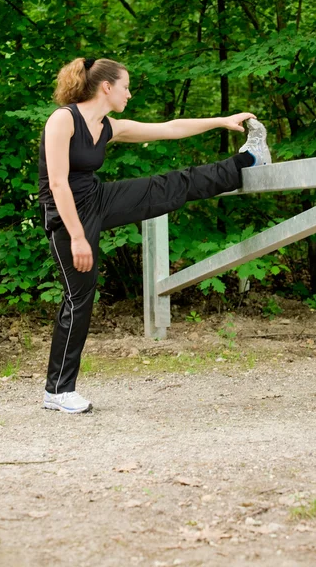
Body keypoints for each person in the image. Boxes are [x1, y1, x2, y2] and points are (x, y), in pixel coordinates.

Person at [39, 57, 271, 414]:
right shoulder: (63, 120)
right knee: (78, 299)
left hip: (97, 199)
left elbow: (170, 128)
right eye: (126, 87)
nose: (129, 94)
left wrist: (221, 122)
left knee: (166, 187)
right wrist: (78, 237)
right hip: (68, 217)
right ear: (106, 87)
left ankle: (247, 160)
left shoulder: (107, 126)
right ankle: (58, 390)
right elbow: (56, 183)